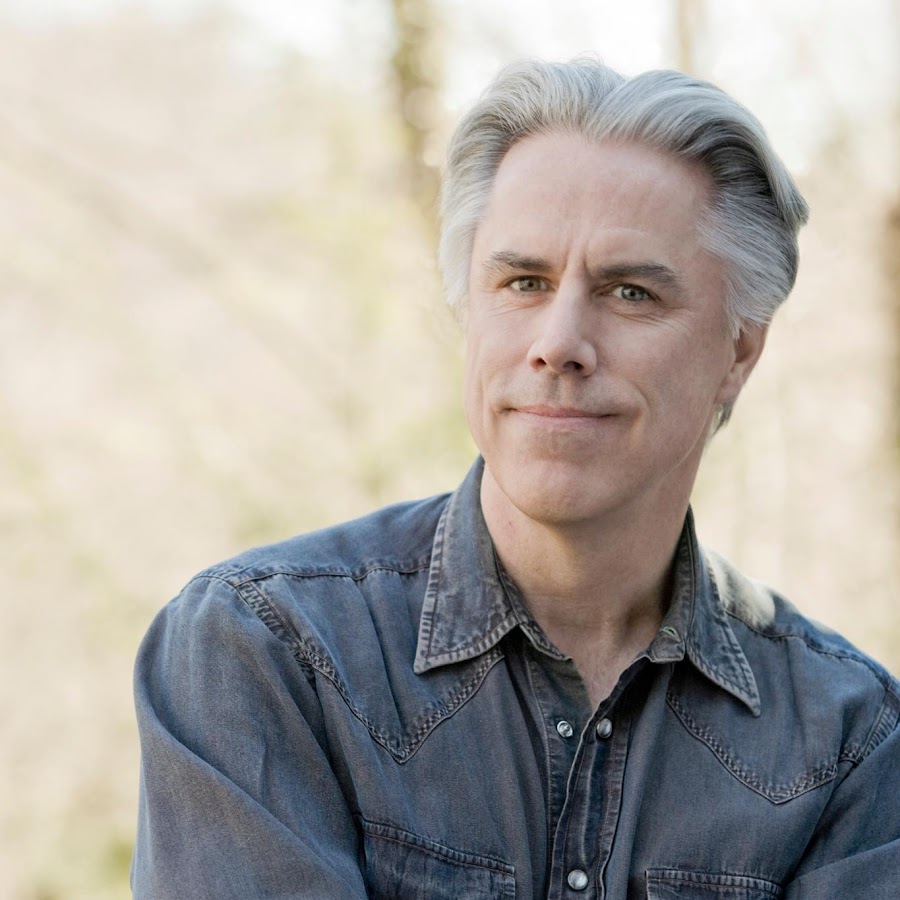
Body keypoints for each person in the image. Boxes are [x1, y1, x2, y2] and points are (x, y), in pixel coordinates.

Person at [131, 59, 899, 899]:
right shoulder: (267, 652)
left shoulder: (852, 742)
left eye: (631, 292)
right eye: (523, 282)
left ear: (739, 351)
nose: (559, 342)